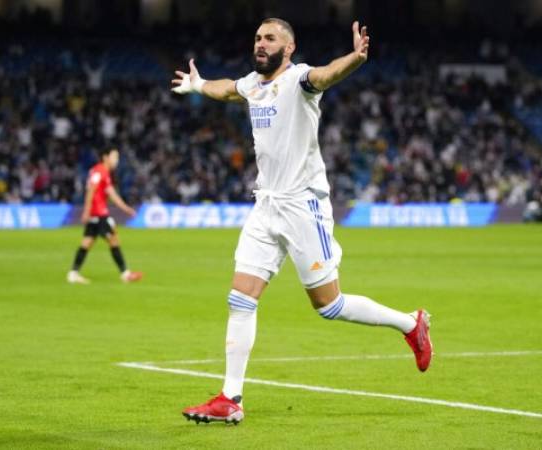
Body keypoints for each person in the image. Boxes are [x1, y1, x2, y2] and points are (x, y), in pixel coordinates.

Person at [172, 18, 432, 425]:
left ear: (288, 48)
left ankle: (411, 324)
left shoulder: (298, 80)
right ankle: (230, 398)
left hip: (302, 206)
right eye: (257, 37)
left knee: (330, 306)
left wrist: (356, 59)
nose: (260, 43)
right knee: (240, 299)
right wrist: (199, 84)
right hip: (267, 205)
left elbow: (327, 74)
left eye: (269, 38)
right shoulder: (253, 85)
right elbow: (227, 89)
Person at [67, 147, 143, 284]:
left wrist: (126, 209)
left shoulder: (104, 173)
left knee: (87, 242)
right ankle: (125, 274)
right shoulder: (99, 171)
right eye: (115, 157)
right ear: (105, 157)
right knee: (113, 239)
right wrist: (86, 211)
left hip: (96, 213)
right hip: (99, 213)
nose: (117, 161)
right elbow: (91, 191)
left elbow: (112, 194)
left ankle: (73, 273)